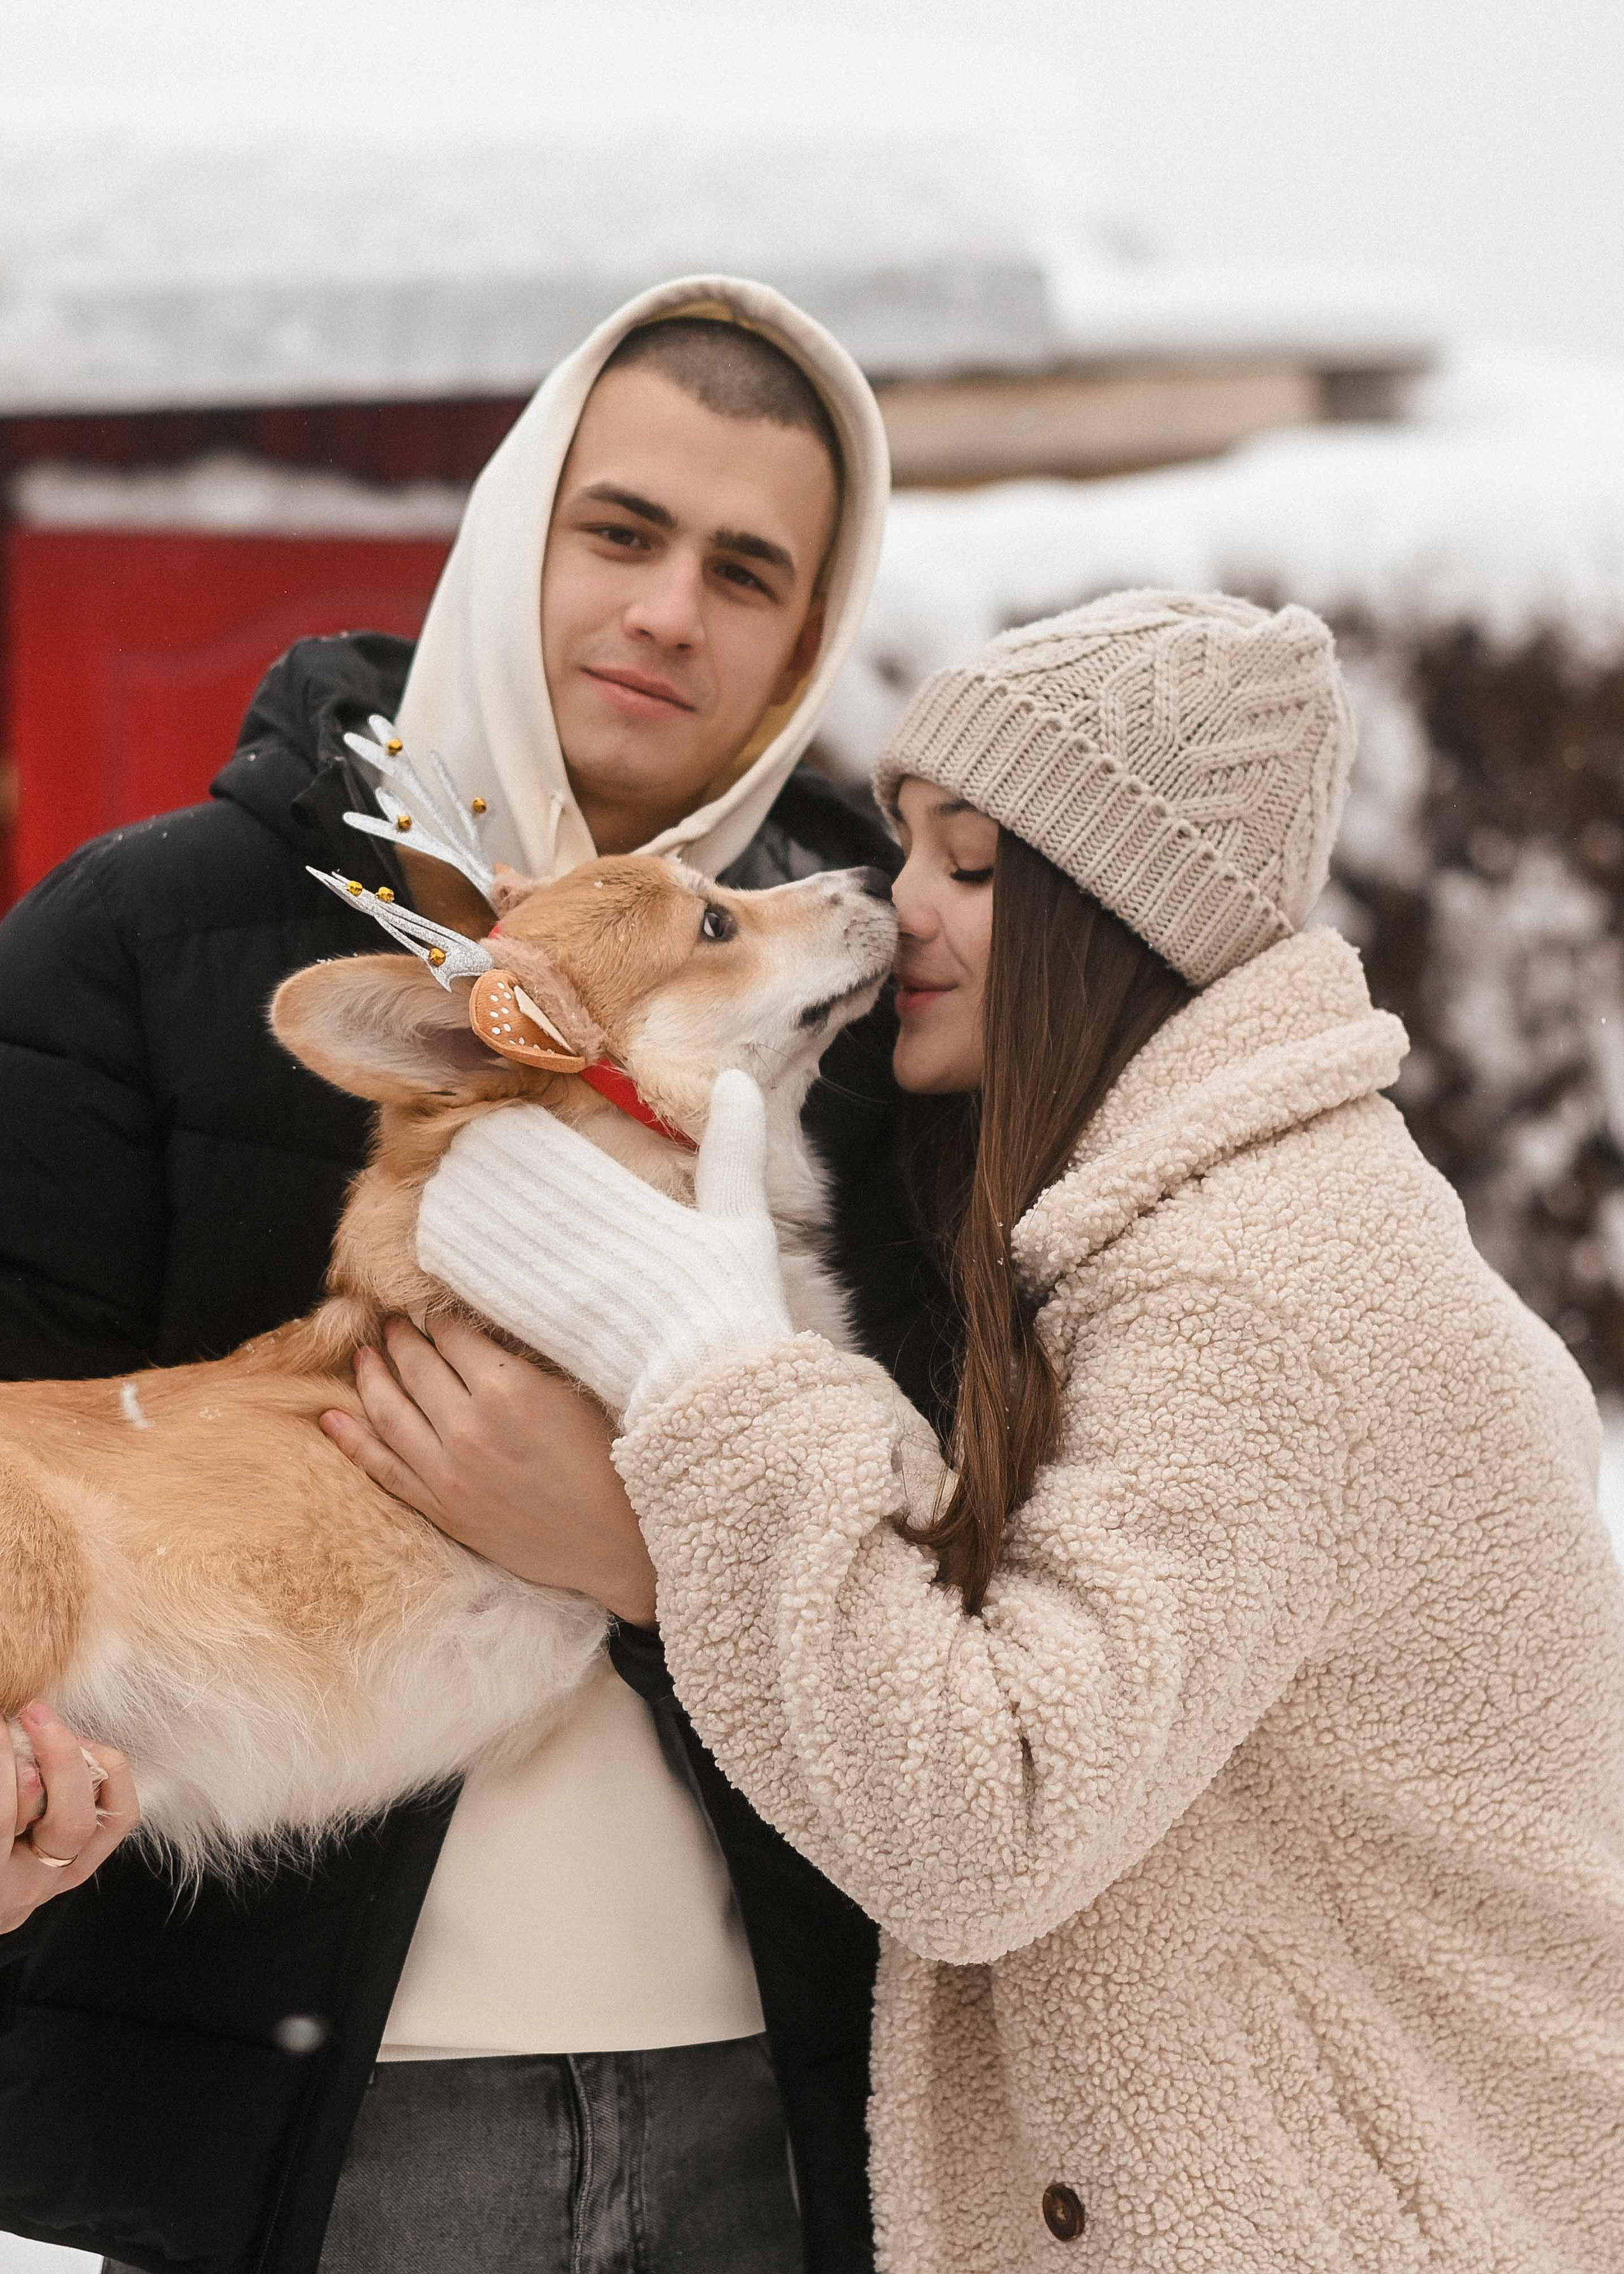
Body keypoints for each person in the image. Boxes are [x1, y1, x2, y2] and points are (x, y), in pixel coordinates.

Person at [409, 589, 1624, 2272]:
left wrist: (704, 1371)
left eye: (969, 869)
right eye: (910, 845)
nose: (896, 903)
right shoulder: (1212, 1233)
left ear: (1121, 926)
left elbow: (987, 1821)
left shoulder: (1259, 1297)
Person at [0, 277, 943, 2274]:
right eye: (623, 532)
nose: (671, 610)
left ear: (803, 640)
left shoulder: (887, 1005)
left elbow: (973, 1550)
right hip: (278, 2136)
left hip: (757, 2104)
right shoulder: (146, 932)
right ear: (517, 530)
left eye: (749, 571)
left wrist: (652, 1550)